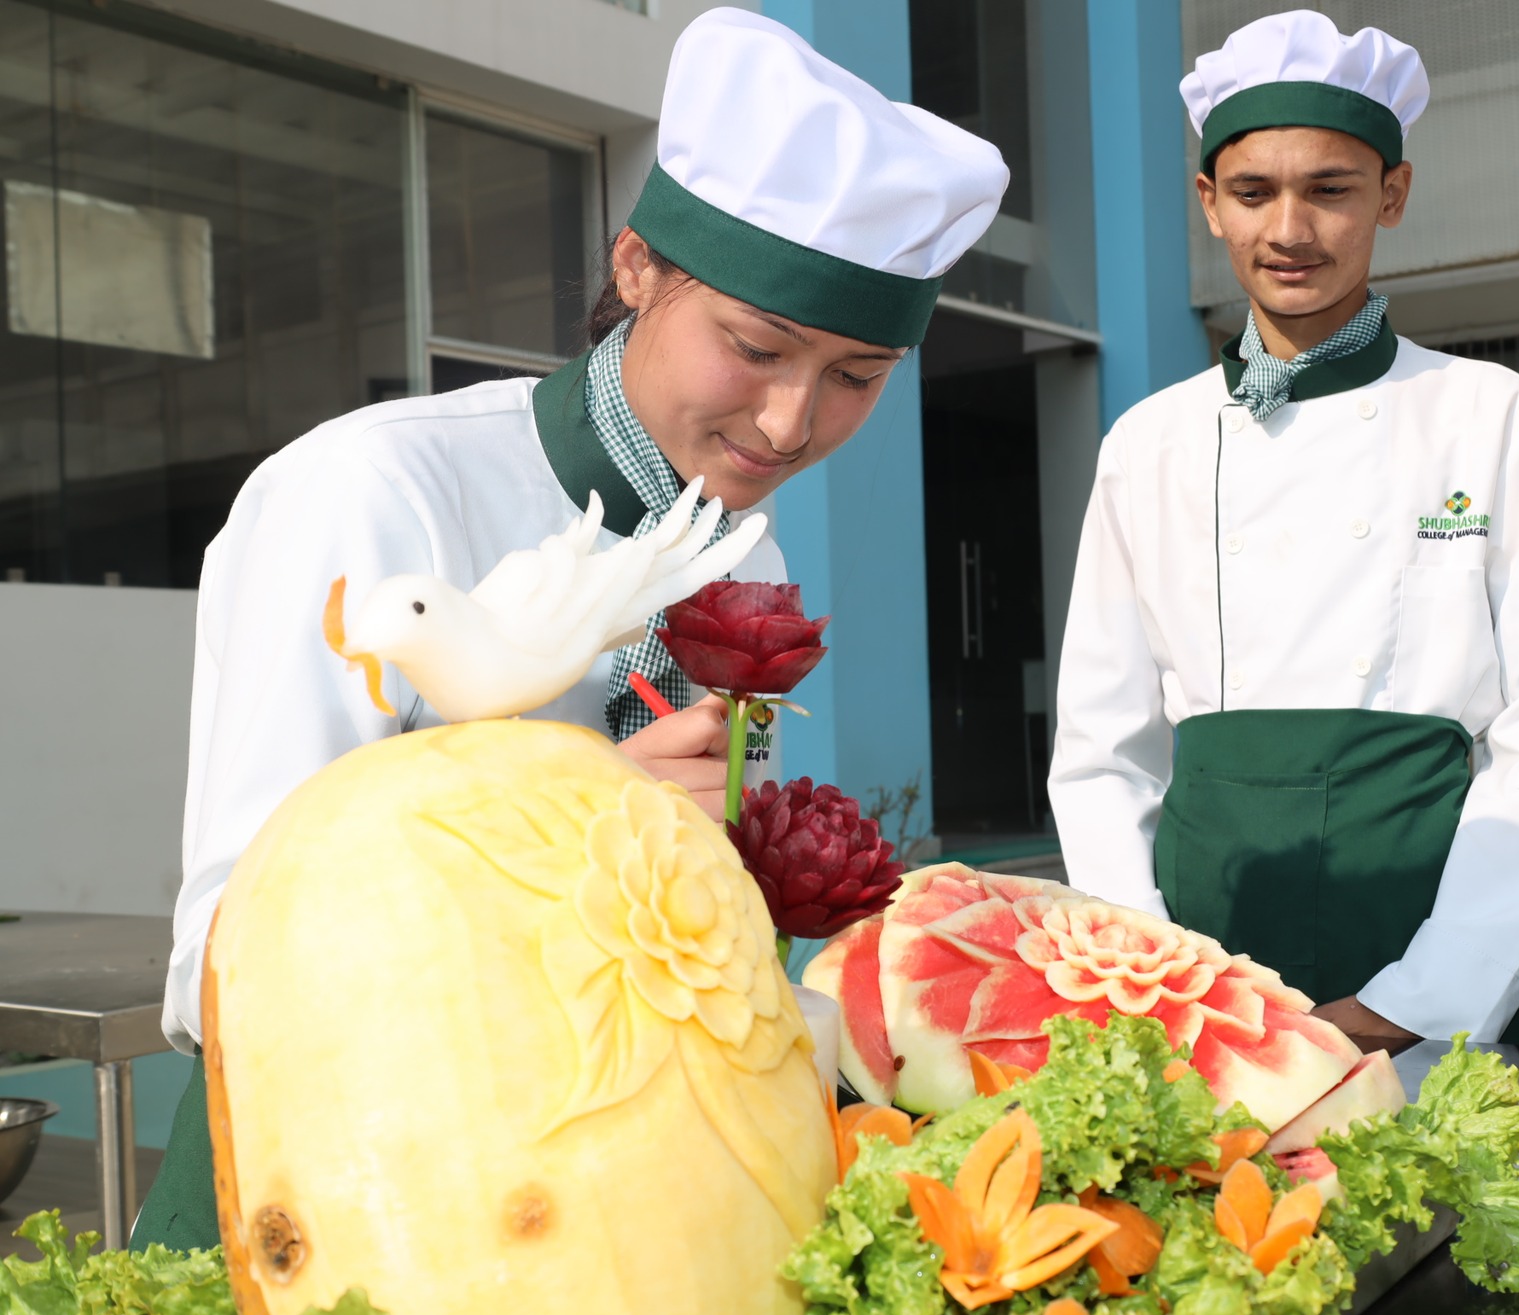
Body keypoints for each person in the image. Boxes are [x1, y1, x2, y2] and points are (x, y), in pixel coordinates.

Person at [132, 7, 1006, 1251]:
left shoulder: (732, 539)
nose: (787, 424)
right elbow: (228, 958)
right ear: (638, 263)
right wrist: (576, 829)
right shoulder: (373, 495)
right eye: (756, 348)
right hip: (331, 1191)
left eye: (857, 377)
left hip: (593, 1197)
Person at [1047, 11, 1519, 1053]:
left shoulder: (1495, 417)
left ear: (1392, 193)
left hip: (1430, 942)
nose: (1289, 230)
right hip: (1199, 965)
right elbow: (1102, 752)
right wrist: (1150, 977)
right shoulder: (1144, 443)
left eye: (1329, 189)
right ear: (1208, 204)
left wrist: (1424, 989)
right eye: (1252, 192)